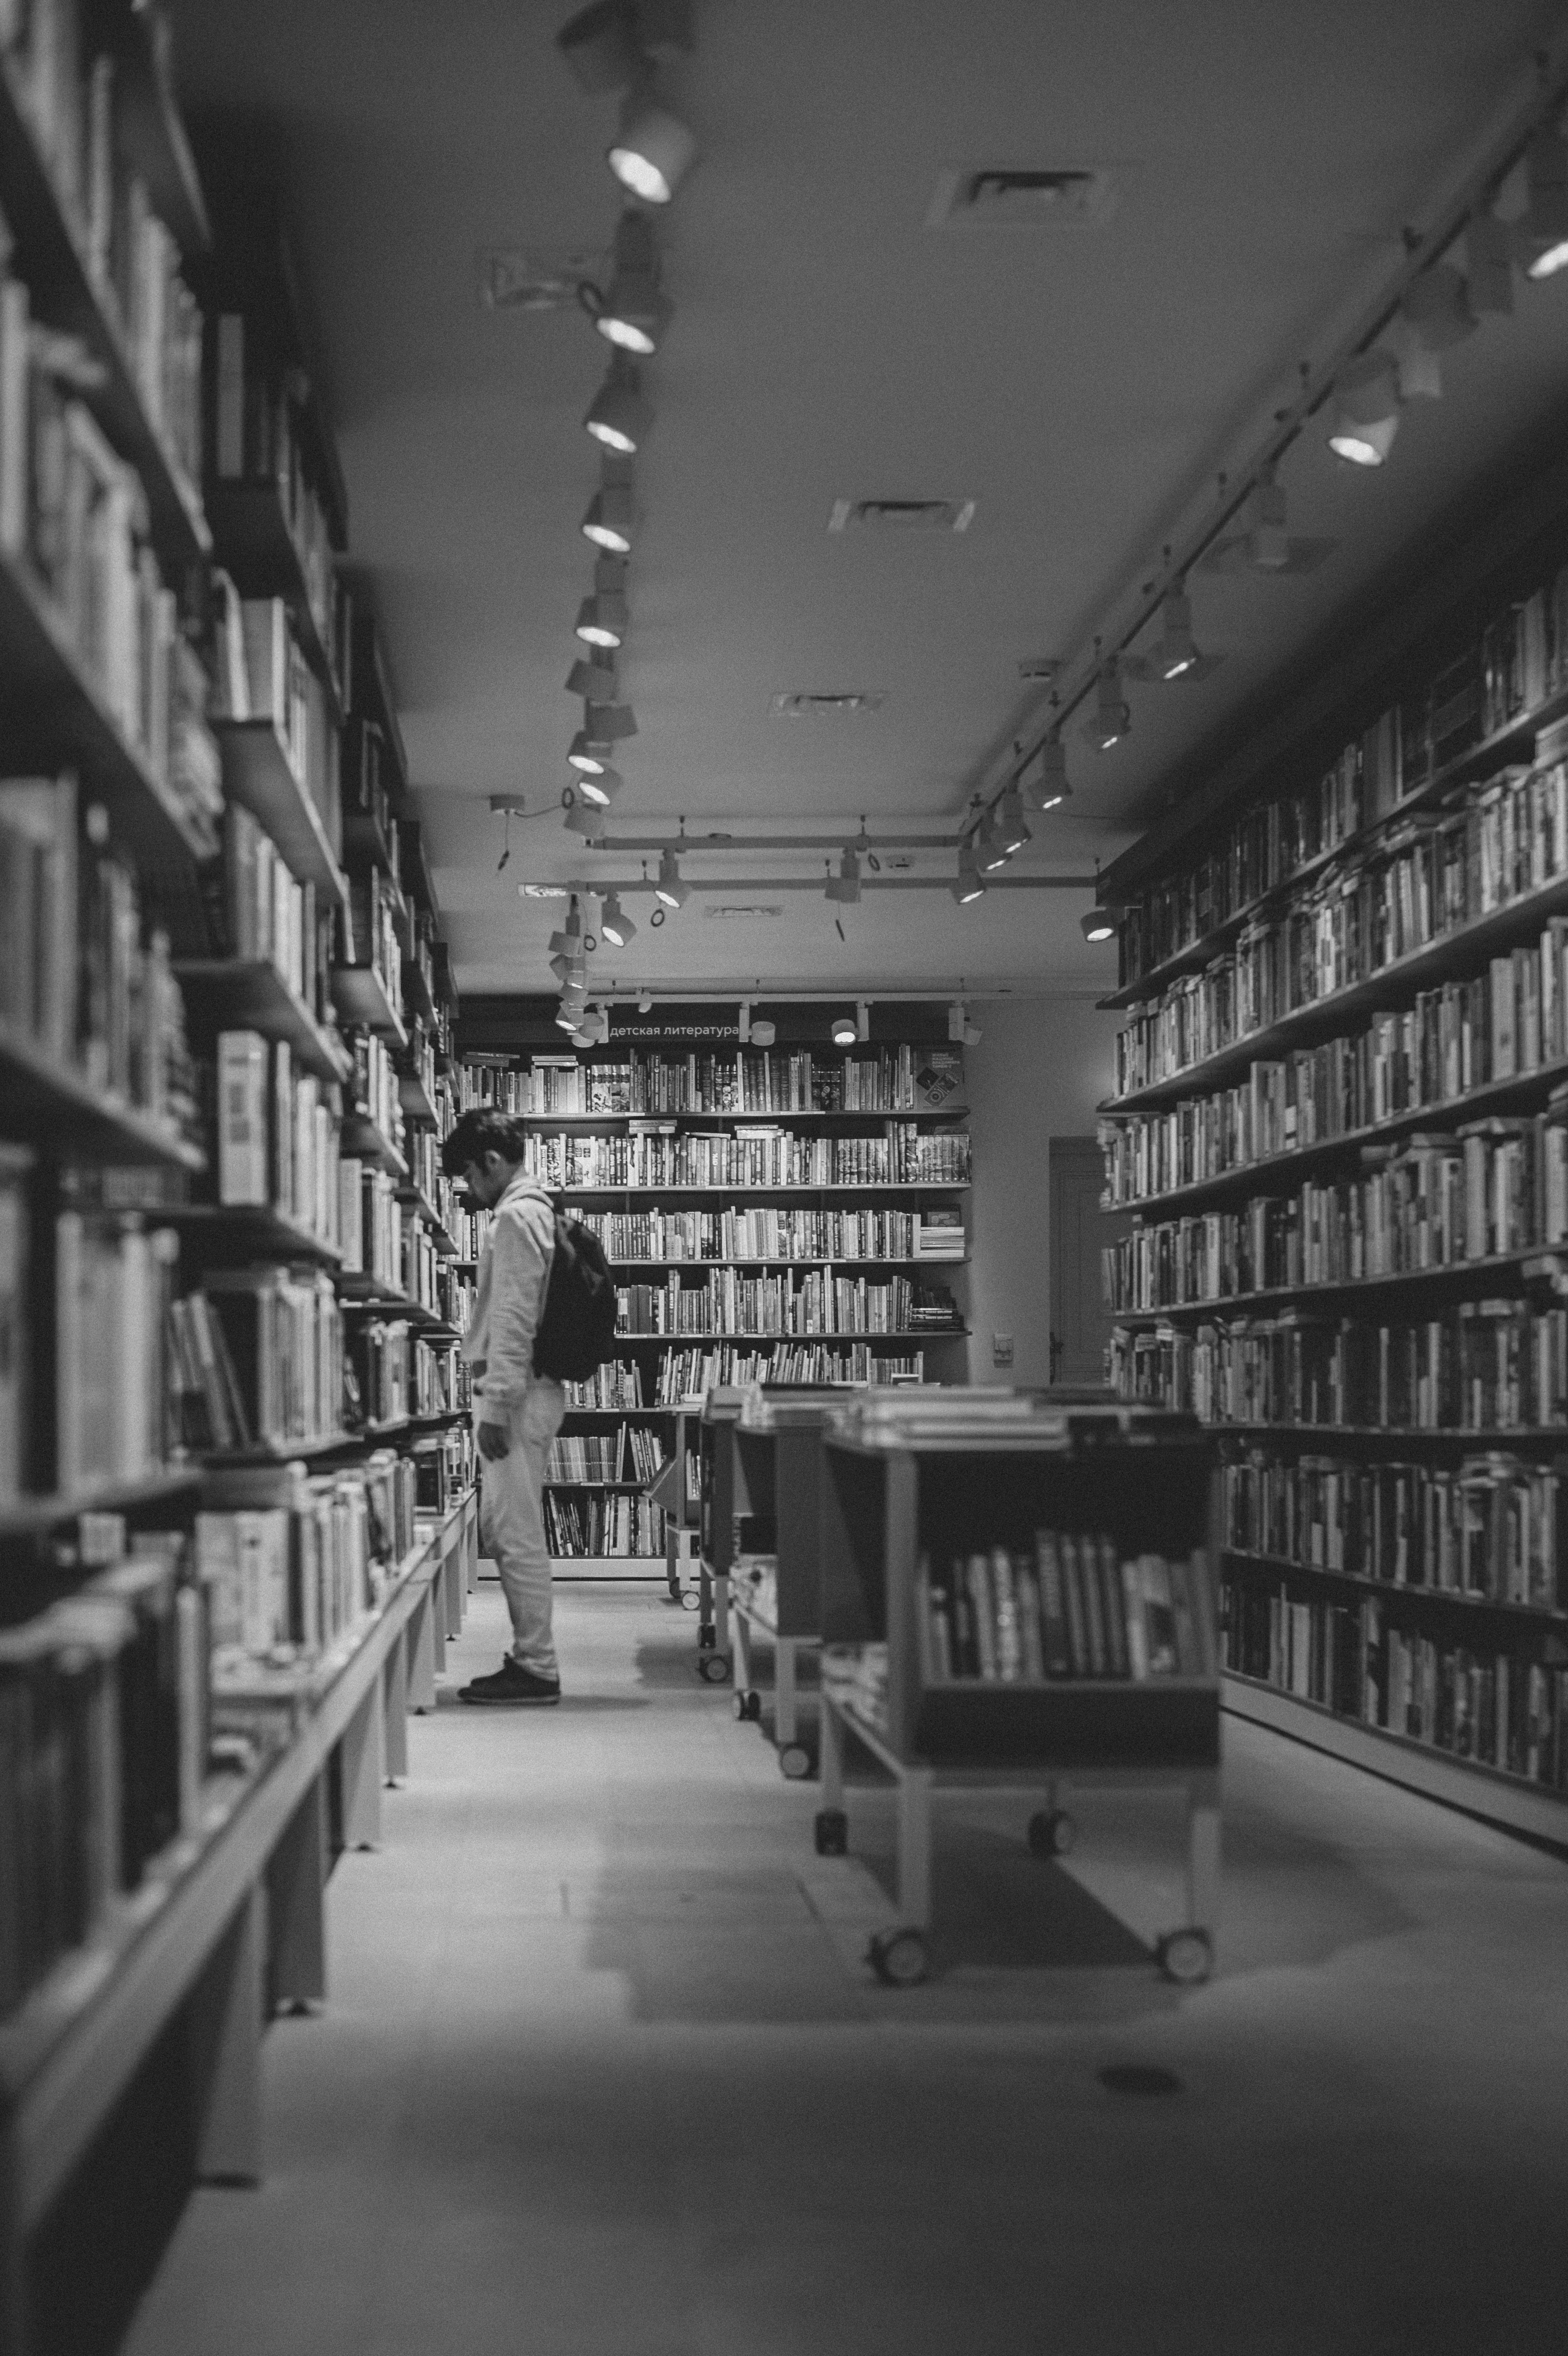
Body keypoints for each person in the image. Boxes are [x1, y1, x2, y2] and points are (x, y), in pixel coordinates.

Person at [441, 1106, 567, 1703]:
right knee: (508, 1525)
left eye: (469, 1174)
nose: (470, 1189)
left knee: (514, 1532)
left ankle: (536, 1666)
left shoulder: (516, 1216)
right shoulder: (536, 1210)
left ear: (492, 1160)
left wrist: (494, 1405)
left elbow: (514, 1318)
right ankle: (530, 1658)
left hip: (515, 1397)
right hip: (525, 1392)